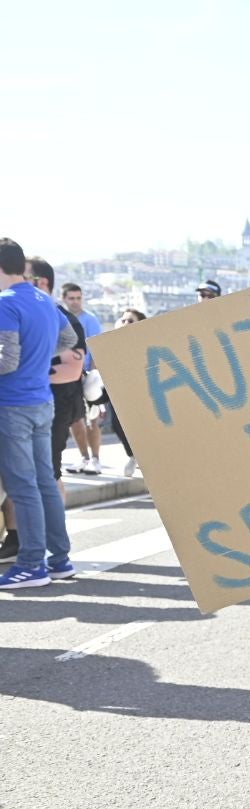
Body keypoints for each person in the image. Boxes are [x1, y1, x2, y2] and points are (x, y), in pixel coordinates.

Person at [0, 239, 77, 589]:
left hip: (13, 403)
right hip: (41, 401)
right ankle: (59, 559)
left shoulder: (5, 304)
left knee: (23, 486)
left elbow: (7, 361)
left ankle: (31, 564)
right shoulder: (43, 299)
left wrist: (27, 357)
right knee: (45, 482)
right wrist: (39, 356)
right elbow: (68, 339)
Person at [27, 260, 87, 492]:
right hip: (34, 405)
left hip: (56, 406)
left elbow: (72, 369)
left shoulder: (63, 320)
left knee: (50, 473)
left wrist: (26, 374)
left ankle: (55, 529)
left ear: (41, 283)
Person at [60, 283, 104, 475]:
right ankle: (84, 457)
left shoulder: (90, 320)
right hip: (70, 377)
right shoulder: (60, 318)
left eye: (78, 298)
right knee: (75, 420)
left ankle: (95, 459)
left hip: (88, 377)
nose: (76, 302)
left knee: (92, 420)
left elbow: (98, 349)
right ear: (64, 299)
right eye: (72, 298)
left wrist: (93, 377)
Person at [105, 309, 144, 476]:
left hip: (139, 394)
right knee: (117, 424)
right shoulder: (110, 345)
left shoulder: (143, 344)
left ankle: (143, 458)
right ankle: (133, 455)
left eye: (131, 321)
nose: (126, 324)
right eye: (124, 320)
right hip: (117, 393)